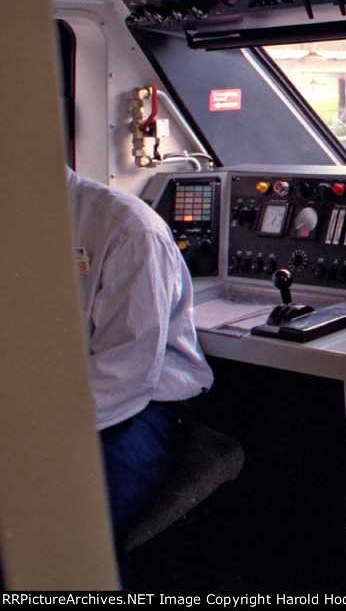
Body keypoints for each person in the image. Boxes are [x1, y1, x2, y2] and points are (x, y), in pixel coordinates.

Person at [66, 166, 214, 557]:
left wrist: (32, 434)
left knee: (77, 529)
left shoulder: (129, 229)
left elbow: (124, 375)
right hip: (46, 406)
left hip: (139, 408)